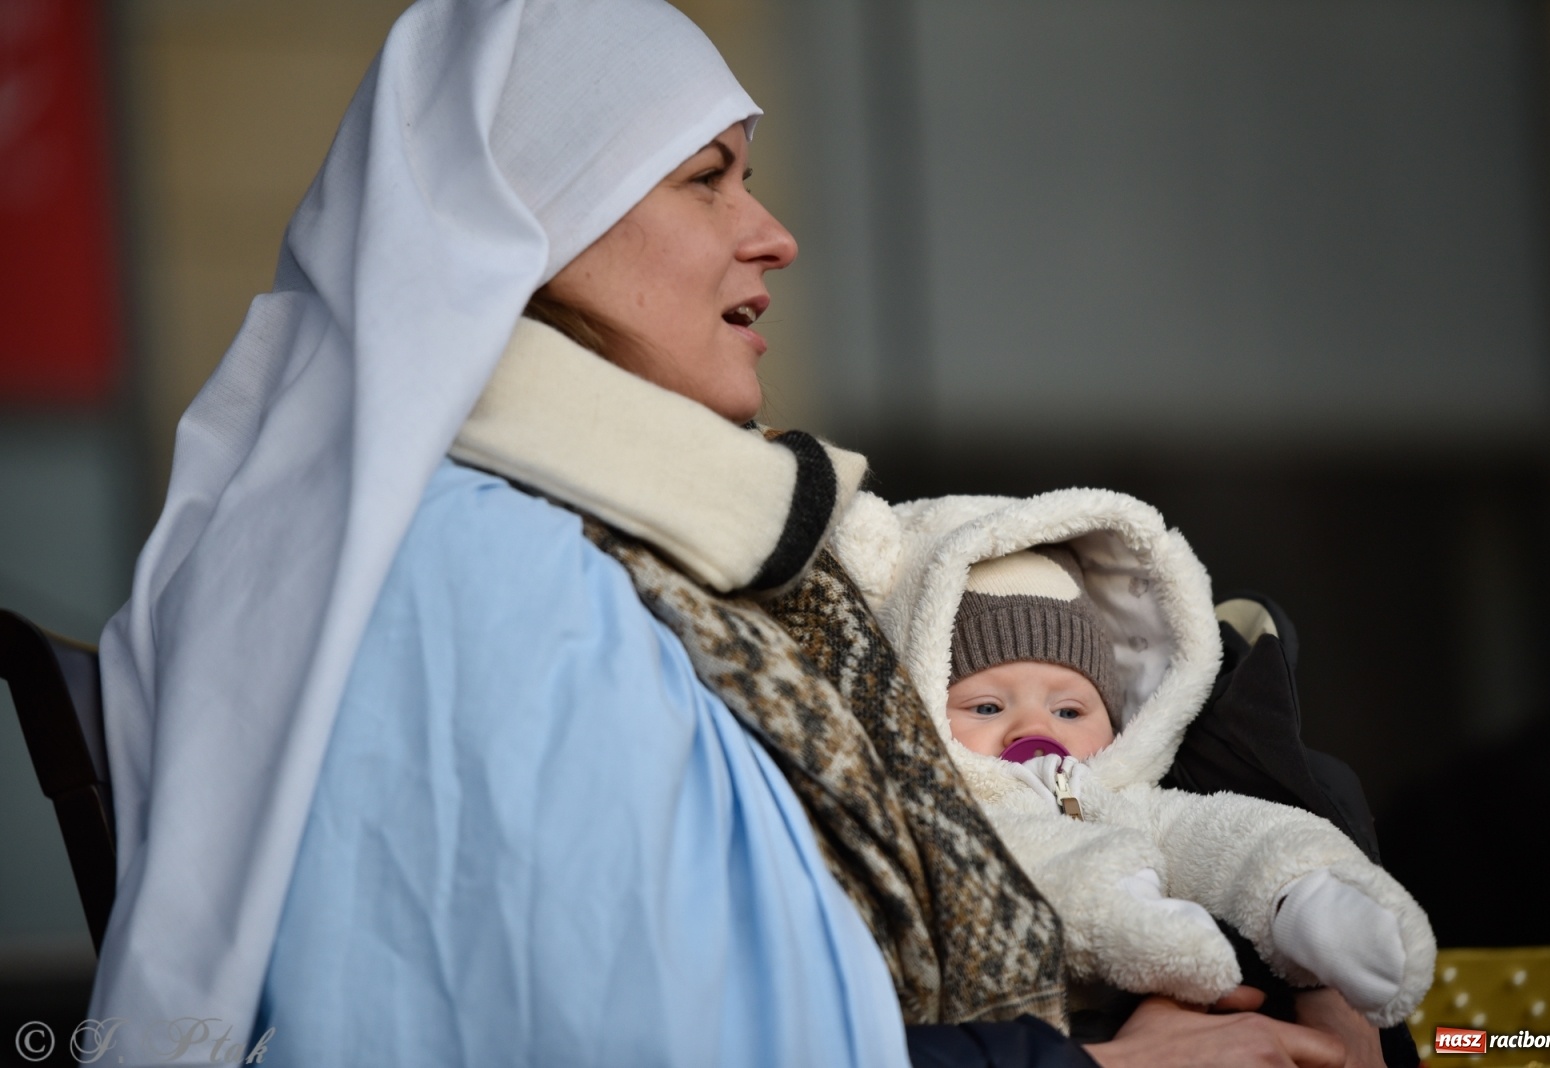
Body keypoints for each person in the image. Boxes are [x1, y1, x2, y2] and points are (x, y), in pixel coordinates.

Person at [89, 1, 1361, 1065]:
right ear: (530, 224)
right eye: (707, 178)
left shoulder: (617, 544)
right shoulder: (479, 571)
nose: (774, 234)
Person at [830, 487, 1437, 1063]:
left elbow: (1222, 834)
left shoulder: (1127, 798)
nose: (1030, 728)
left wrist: (1303, 884)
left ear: (1117, 720)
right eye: (987, 707)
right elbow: (1026, 865)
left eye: (1070, 709)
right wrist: (1137, 914)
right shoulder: (941, 819)